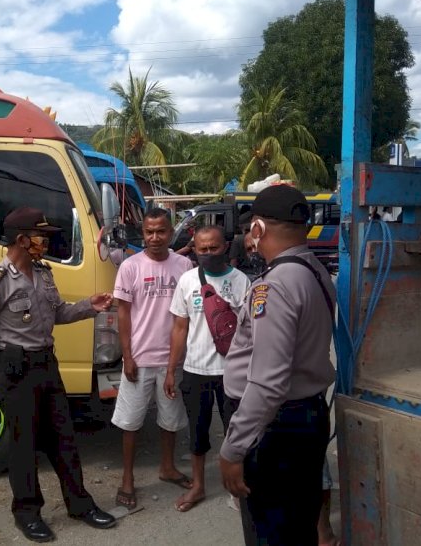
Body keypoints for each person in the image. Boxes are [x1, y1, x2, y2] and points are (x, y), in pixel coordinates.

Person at [0, 206, 117, 543]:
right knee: (24, 447)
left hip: (46, 366)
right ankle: (27, 513)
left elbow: (59, 313)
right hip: (16, 371)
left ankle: (80, 505)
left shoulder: (44, 274)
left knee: (63, 439)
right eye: (42, 236)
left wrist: (88, 306)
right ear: (22, 240)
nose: (47, 242)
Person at [218, 185, 336, 546]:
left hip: (275, 430)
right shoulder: (315, 271)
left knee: (272, 531)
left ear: (257, 229)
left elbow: (268, 382)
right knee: (298, 525)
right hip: (306, 417)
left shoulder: (275, 286)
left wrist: (233, 448)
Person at [112, 207, 194, 510]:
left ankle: (168, 467)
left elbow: (187, 315)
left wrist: (177, 362)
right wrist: (127, 356)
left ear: (171, 233)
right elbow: (122, 314)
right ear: (143, 233)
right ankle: (128, 478)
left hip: (173, 360)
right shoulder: (130, 267)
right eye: (149, 232)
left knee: (170, 419)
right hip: (140, 358)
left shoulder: (184, 266)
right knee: (130, 422)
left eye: (161, 231)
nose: (155, 237)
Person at [164, 225, 250, 512]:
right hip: (195, 370)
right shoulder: (188, 280)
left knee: (234, 431)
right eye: (203, 249)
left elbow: (253, 331)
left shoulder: (241, 282)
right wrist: (170, 369)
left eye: (214, 247)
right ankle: (199, 486)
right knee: (197, 432)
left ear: (225, 246)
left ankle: (236, 488)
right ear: (195, 249)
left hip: (233, 372)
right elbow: (179, 328)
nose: (209, 253)